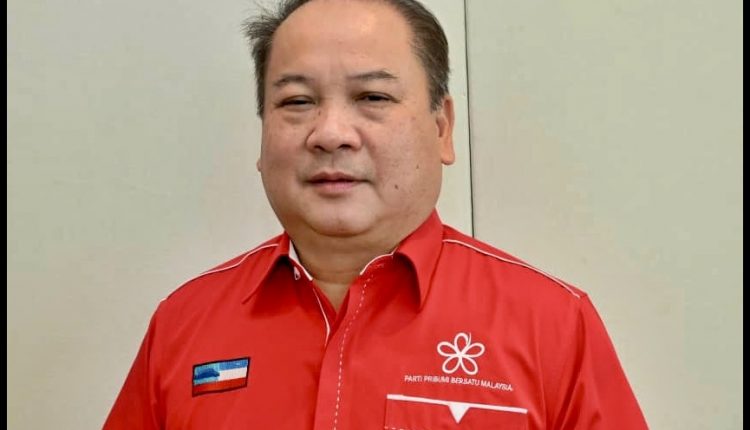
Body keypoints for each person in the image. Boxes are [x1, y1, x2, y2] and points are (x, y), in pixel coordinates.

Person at [104, 0, 648, 428]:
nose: (330, 133)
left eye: (373, 97)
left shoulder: (553, 323)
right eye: (297, 102)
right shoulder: (184, 323)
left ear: (442, 128)